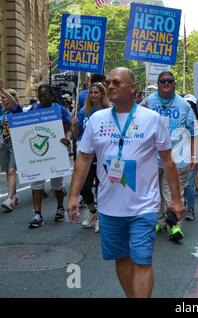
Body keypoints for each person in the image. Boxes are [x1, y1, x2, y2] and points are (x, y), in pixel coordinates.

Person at [67, 67, 183, 298]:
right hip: (109, 207)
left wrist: (177, 200)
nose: (110, 86)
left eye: (117, 83)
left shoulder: (152, 119)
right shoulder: (96, 120)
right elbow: (84, 157)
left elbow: (168, 161)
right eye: (108, 82)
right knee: (122, 258)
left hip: (144, 206)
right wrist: (73, 195)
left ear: (132, 88)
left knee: (142, 261)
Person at [142, 71, 198, 242]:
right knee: (156, 193)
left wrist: (194, 156)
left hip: (177, 159)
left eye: (169, 81)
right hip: (152, 158)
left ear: (174, 83)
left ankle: (176, 226)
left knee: (174, 193)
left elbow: (195, 132)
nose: (166, 83)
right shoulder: (148, 102)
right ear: (157, 83)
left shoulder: (184, 105)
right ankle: (161, 221)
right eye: (162, 81)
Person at [28, 84, 72, 229]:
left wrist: (67, 139)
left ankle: (60, 208)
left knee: (57, 184)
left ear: (51, 96)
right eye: (40, 96)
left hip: (56, 151)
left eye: (45, 96)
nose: (42, 98)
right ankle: (37, 215)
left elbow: (69, 127)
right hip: (38, 151)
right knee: (36, 183)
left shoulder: (60, 109)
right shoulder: (34, 110)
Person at [72, 83, 112, 232]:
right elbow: (77, 135)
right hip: (87, 157)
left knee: (102, 189)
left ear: (102, 94)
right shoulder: (83, 111)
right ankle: (93, 212)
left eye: (96, 92)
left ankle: (102, 218)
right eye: (91, 92)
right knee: (84, 187)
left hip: (103, 156)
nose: (93, 95)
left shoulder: (108, 112)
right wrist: (74, 125)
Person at [0, 81, 22, 211]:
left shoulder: (16, 110)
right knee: (7, 171)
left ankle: (9, 200)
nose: (2, 100)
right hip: (3, 145)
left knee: (12, 170)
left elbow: (13, 102)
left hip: (14, 144)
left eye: (4, 98)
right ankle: (14, 195)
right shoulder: (2, 112)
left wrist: (3, 90)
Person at [183, 94, 198, 221]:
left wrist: (195, 156)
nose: (187, 106)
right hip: (175, 156)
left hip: (191, 155)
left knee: (188, 184)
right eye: (186, 103)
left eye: (190, 104)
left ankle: (190, 209)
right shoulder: (177, 117)